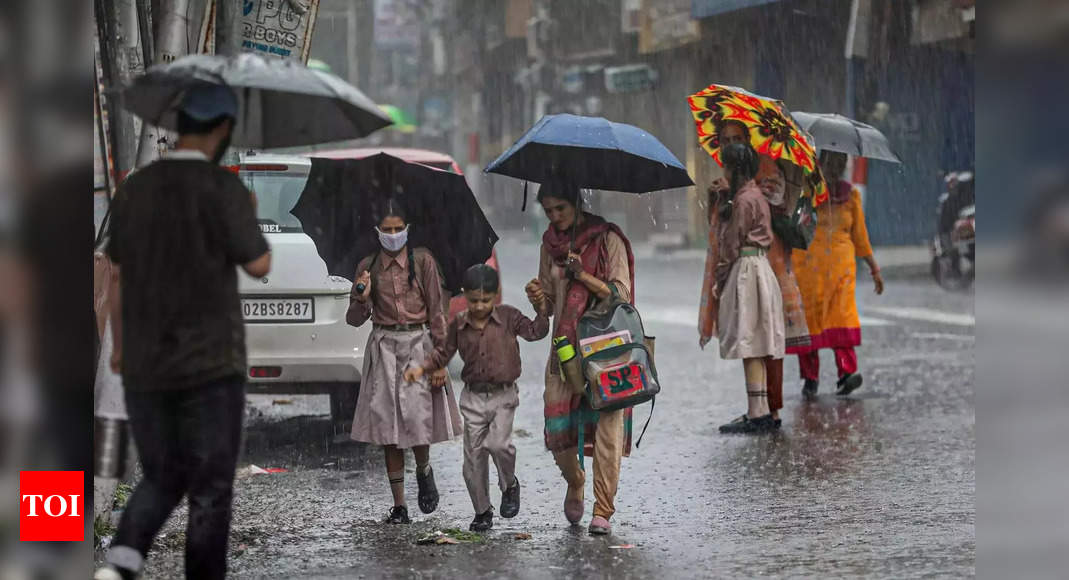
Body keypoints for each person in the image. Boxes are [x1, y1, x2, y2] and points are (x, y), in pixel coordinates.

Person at [97, 84, 271, 580]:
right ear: (221, 129)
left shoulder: (135, 189)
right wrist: (247, 216)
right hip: (211, 364)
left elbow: (118, 277)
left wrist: (121, 351)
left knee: (163, 473)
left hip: (147, 364)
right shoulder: (224, 190)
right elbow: (259, 264)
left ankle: (121, 563)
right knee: (211, 486)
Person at [525, 181, 635, 536]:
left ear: (576, 204)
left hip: (607, 347)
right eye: (549, 211)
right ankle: (575, 480)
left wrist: (582, 276)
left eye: (562, 209)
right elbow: (549, 307)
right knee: (558, 426)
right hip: (565, 347)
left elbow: (620, 294)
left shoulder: (608, 238)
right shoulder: (549, 245)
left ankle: (603, 508)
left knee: (607, 426)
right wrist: (539, 298)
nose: (555, 218)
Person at [404, 264, 549, 532]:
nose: (480, 306)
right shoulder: (459, 324)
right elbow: (442, 353)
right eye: (473, 300)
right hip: (472, 397)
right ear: (465, 298)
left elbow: (535, 332)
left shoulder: (509, 317)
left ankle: (509, 485)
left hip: (503, 395)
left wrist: (541, 310)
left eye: (485, 300)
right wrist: (423, 368)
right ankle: (482, 511)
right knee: (473, 458)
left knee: (498, 445)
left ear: (495, 296)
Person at [346, 201, 462, 525]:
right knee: (388, 428)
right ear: (377, 231)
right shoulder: (367, 266)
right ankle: (400, 506)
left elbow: (438, 313)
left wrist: (439, 362)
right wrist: (361, 297)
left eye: (399, 229)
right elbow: (354, 319)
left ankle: (424, 470)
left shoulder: (423, 261)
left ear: (408, 228)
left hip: (418, 347)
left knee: (417, 420)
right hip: (383, 347)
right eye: (387, 229)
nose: (393, 235)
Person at [699, 142, 785, 434]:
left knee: (749, 341)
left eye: (726, 165)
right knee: (757, 342)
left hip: (746, 271)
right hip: (761, 269)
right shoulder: (754, 196)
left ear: (734, 168)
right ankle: (759, 409)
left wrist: (720, 279)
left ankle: (756, 411)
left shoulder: (745, 200)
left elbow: (732, 243)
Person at [793, 150, 884, 398]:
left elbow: (860, 236)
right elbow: (796, 225)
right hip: (810, 266)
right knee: (810, 320)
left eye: (841, 162)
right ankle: (810, 379)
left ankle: (846, 373)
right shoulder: (809, 191)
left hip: (842, 267)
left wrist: (874, 268)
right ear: (821, 163)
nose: (837, 167)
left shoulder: (851, 195)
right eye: (832, 162)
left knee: (842, 318)